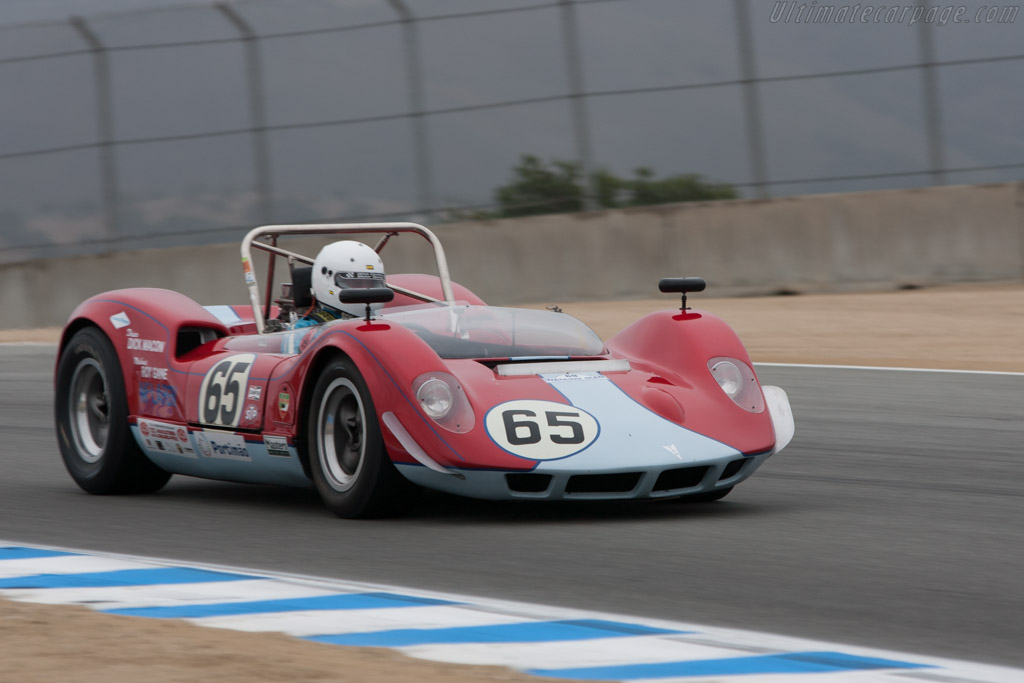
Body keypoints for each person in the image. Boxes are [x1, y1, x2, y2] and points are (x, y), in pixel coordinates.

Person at [293, 240, 387, 328]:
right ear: (327, 278)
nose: (366, 290)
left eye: (371, 283)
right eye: (356, 283)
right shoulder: (306, 328)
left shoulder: (386, 322)